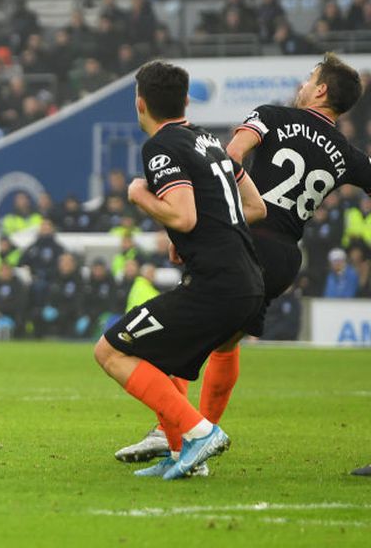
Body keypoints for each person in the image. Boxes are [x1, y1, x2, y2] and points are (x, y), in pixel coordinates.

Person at [116, 53, 371, 464]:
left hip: (244, 238)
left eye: (310, 78)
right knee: (224, 341)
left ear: (321, 90)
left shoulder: (272, 116)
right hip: (286, 256)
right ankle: (195, 436)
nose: (303, 84)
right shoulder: (346, 152)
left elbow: (227, 159)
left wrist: (193, 229)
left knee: (187, 329)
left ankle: (176, 432)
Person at [93, 60, 267, 480]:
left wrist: (139, 196)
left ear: (140, 103)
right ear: (186, 100)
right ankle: (181, 456)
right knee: (166, 356)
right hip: (248, 279)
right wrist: (188, 239)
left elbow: (184, 216)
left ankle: (197, 432)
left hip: (217, 285)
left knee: (111, 350)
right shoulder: (207, 140)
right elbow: (256, 208)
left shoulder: (160, 146)